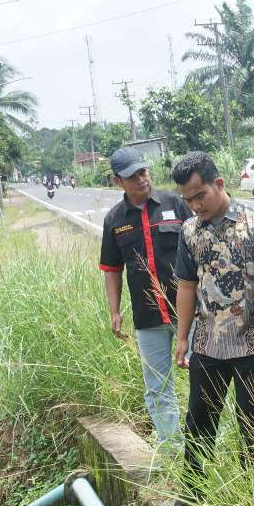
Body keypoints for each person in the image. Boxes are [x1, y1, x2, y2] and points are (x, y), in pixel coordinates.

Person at [170, 152, 254, 498]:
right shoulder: (190, 231)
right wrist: (182, 338)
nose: (195, 205)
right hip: (208, 344)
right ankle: (192, 494)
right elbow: (186, 286)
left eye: (200, 195)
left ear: (219, 184)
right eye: (187, 199)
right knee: (199, 422)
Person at [99, 146, 188, 456]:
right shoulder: (114, 220)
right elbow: (111, 270)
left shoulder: (175, 204)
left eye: (143, 172)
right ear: (117, 182)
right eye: (132, 176)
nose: (141, 179)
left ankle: (208, 447)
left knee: (208, 379)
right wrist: (114, 311)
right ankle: (172, 453)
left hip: (187, 313)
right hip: (147, 319)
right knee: (159, 388)